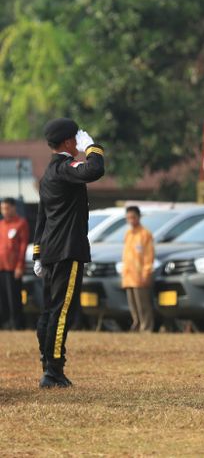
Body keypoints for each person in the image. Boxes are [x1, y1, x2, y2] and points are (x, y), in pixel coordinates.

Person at [33, 118, 105, 388]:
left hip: (51, 250)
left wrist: (37, 253)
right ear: (67, 142)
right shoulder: (65, 168)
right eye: (76, 138)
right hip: (67, 250)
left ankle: (47, 362)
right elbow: (93, 170)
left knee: (49, 311)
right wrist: (92, 148)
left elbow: (42, 218)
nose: (78, 142)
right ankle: (53, 371)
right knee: (63, 312)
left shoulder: (47, 174)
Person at [121, 206, 155, 333]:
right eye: (128, 218)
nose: (131, 220)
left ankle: (146, 327)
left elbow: (148, 255)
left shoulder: (145, 234)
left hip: (140, 275)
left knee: (143, 305)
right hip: (129, 275)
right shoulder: (128, 234)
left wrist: (146, 272)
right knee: (133, 305)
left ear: (139, 217)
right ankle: (137, 324)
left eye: (133, 217)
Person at [0, 198, 29, 330]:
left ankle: (17, 324)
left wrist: (19, 265)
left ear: (13, 208)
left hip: (13, 268)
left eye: (7, 208)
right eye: (2, 208)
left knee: (14, 298)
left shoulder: (21, 223)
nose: (4, 211)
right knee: (3, 298)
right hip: (1, 266)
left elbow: (23, 247)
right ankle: (5, 324)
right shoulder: (1, 224)